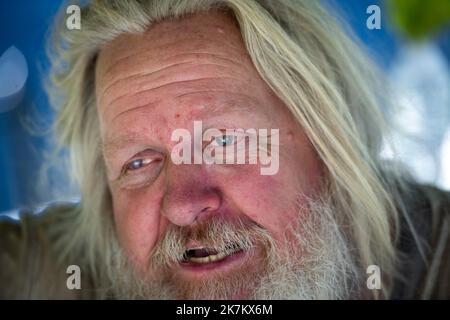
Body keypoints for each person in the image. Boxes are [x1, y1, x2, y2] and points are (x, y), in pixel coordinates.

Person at [1, 0, 449, 299]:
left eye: (226, 142)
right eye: (139, 162)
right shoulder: (54, 272)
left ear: (327, 138)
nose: (184, 204)